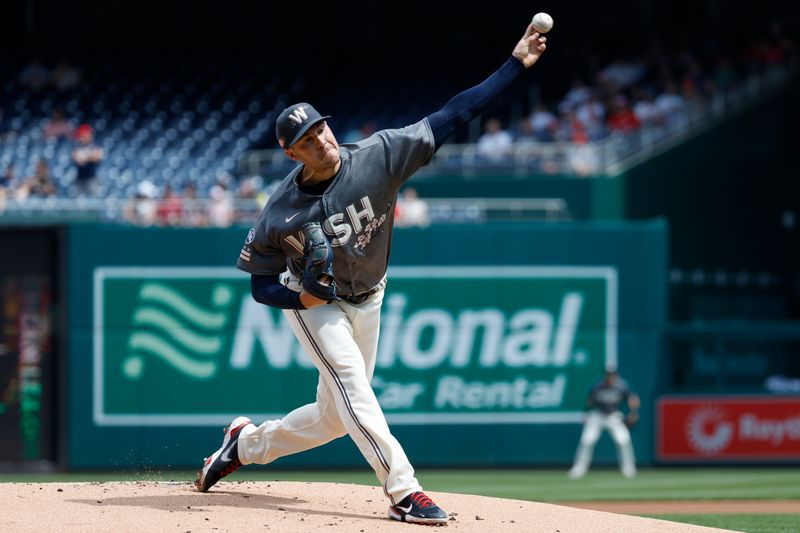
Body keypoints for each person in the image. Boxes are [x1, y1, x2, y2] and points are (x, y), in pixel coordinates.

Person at [194, 21, 548, 526]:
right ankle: (404, 491)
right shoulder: (280, 212)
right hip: (317, 302)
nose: (321, 140)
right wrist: (303, 303)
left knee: (334, 418)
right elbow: (259, 285)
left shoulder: (379, 156)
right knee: (354, 387)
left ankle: (242, 446)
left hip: (370, 296)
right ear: (291, 153)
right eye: (306, 139)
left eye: (321, 128)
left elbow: (454, 114)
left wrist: (514, 64)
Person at [568, 368, 640, 480]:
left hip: (614, 416)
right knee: (587, 440)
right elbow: (590, 400)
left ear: (616, 375)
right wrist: (586, 413)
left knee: (623, 440)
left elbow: (632, 398)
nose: (610, 377)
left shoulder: (622, 385)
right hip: (597, 415)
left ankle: (629, 468)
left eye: (612, 374)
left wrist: (634, 412)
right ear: (605, 375)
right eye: (608, 375)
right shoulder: (598, 386)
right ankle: (579, 468)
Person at [70, 124, 104, 197]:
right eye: (82, 135)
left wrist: (84, 155)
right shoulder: (76, 145)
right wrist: (90, 155)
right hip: (79, 179)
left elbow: (98, 156)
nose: (84, 137)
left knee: (96, 200)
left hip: (92, 178)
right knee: (76, 201)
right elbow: (78, 159)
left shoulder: (97, 144)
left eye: (86, 134)